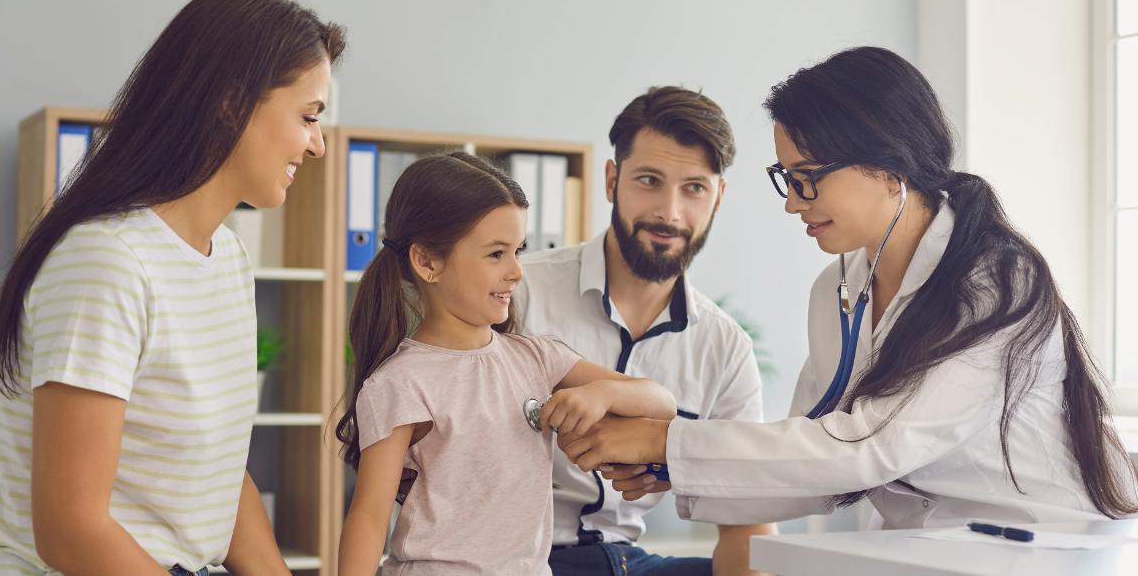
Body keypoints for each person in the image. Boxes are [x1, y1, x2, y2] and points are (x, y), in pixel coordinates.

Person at [559, 46, 1138, 530]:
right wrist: (665, 468)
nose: (791, 203)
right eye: (786, 179)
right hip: (936, 552)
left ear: (891, 169)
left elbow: (869, 448)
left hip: (1048, 546)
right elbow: (818, 464)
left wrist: (666, 442)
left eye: (807, 179)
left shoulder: (996, 284)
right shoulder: (837, 288)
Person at [0, 0, 346, 576]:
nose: (319, 145)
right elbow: (71, 531)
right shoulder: (107, 261)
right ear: (231, 103)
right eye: (307, 117)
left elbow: (219, 479)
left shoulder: (226, 258)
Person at [333, 152, 677, 576]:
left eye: (518, 250)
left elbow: (660, 402)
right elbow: (368, 517)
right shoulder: (400, 383)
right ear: (426, 262)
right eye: (496, 254)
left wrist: (603, 393)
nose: (517, 271)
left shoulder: (538, 357)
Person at [513, 86, 774, 576]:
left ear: (718, 197)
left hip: (627, 561)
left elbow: (748, 519)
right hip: (518, 558)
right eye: (649, 180)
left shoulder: (725, 347)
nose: (669, 213)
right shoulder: (520, 292)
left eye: (694, 187)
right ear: (612, 180)